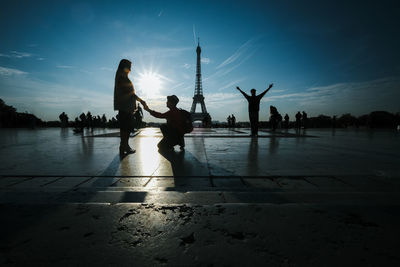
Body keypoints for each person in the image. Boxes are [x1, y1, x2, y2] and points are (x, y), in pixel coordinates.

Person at [114, 59, 147, 156]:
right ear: (125, 67)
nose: (131, 70)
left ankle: (123, 146)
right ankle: (125, 146)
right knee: (126, 128)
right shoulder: (122, 78)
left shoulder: (121, 77)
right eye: (130, 67)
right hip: (125, 106)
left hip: (124, 106)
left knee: (125, 127)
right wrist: (141, 101)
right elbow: (130, 94)